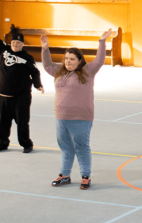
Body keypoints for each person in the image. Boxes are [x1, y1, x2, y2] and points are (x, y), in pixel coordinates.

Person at [40, 30, 114, 190]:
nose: (68, 61)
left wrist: (102, 41)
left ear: (80, 60)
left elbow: (100, 61)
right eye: (66, 58)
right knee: (66, 148)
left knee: (81, 147)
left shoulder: (88, 71)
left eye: (72, 59)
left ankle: (85, 176)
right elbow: (47, 66)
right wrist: (45, 49)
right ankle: (64, 175)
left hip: (81, 118)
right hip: (61, 118)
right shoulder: (60, 71)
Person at [0, 10, 43, 153]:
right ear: (10, 43)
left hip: (20, 97)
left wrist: (38, 84)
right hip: (3, 96)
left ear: (22, 44)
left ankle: (26, 144)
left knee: (22, 122)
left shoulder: (27, 58)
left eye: (18, 43)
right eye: (13, 42)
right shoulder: (3, 51)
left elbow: (35, 72)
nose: (15, 45)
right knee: (3, 122)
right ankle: (2, 143)